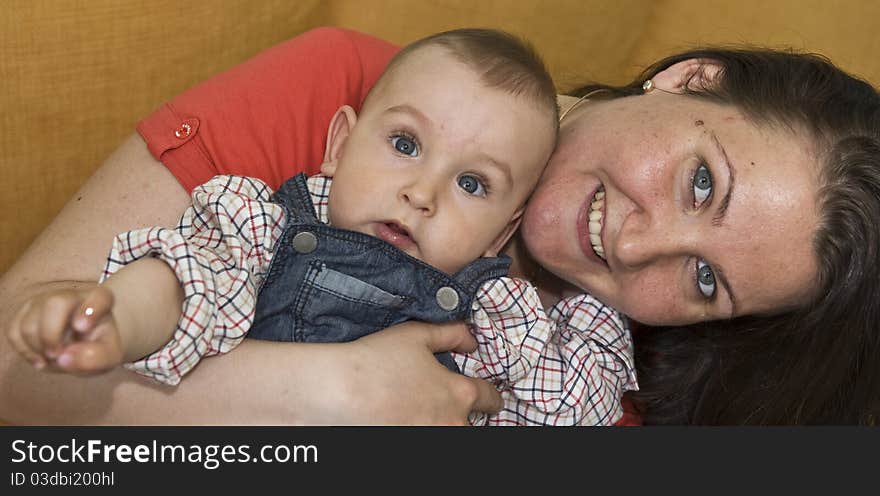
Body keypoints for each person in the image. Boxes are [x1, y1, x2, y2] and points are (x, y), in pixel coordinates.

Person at [1, 26, 878, 425]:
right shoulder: (349, 100)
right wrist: (327, 399)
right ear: (687, 79)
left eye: (704, 281)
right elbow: (12, 377)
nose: (638, 245)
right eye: (699, 184)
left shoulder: (588, 373)